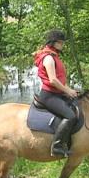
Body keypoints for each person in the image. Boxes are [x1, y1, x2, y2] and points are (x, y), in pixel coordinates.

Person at [34, 29, 80, 157]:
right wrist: (68, 91)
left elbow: (60, 80)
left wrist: (70, 90)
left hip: (57, 94)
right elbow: (53, 80)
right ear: (53, 42)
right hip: (49, 96)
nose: (62, 45)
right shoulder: (48, 58)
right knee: (70, 116)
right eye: (61, 42)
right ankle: (57, 146)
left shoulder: (54, 56)